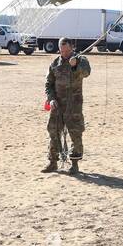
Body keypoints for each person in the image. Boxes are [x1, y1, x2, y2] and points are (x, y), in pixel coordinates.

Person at [43, 38, 91, 175]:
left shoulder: (81, 60)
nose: (64, 53)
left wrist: (75, 65)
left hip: (73, 105)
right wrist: (51, 99)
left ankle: (74, 164)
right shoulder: (55, 63)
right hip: (57, 105)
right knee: (53, 132)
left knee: (75, 133)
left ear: (72, 48)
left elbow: (86, 72)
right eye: (61, 50)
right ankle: (53, 162)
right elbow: (48, 84)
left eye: (66, 50)